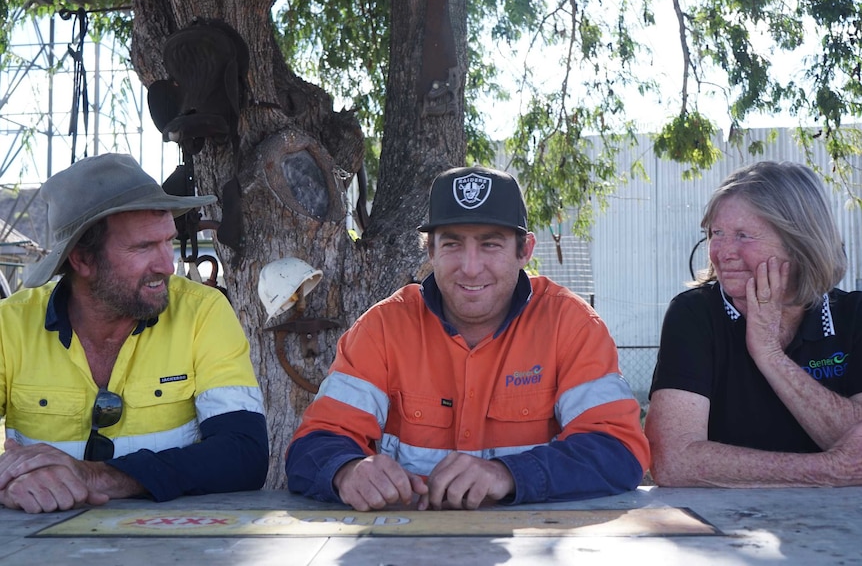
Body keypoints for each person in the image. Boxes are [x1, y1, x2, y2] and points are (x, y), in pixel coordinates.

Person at [285, 166, 650, 511]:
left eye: (490, 244)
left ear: (525, 251)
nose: (471, 267)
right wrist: (347, 470)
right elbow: (313, 445)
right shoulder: (382, 328)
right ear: (430, 251)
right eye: (453, 245)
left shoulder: (572, 326)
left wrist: (508, 474)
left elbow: (619, 449)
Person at [0, 153, 268, 513]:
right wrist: (10, 480)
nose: (166, 265)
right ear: (82, 260)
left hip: (174, 546)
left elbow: (244, 453)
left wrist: (95, 476)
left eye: (167, 241)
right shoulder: (11, 325)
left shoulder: (202, 313)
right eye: (143, 247)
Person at [645, 160, 862, 487]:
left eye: (743, 235)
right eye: (716, 233)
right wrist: (824, 470)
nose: (722, 252)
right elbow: (671, 461)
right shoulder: (695, 314)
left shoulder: (853, 316)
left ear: (798, 241)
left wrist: (770, 356)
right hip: (724, 529)